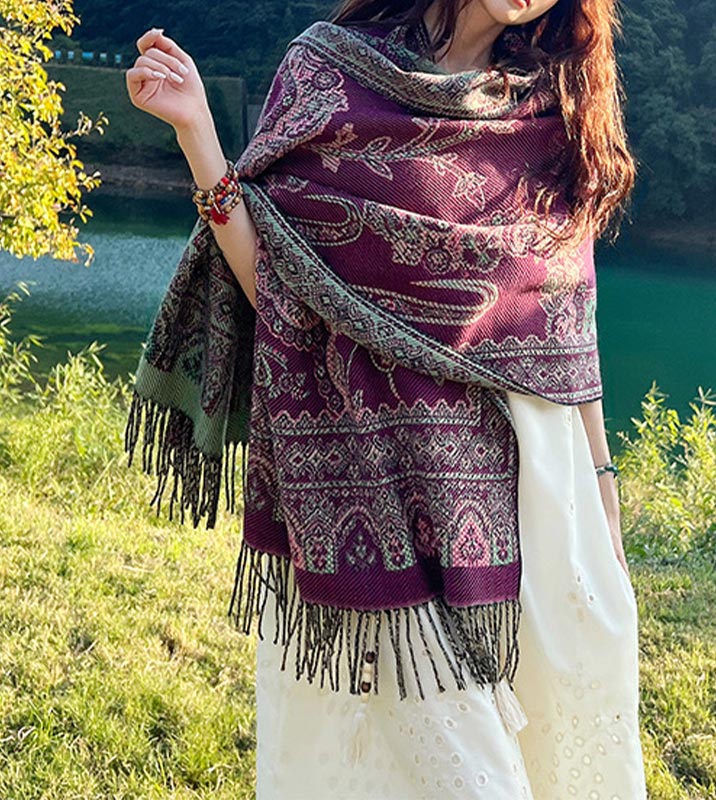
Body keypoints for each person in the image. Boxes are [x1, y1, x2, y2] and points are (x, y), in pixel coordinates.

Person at [126, 0, 647, 797]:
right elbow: (277, 285)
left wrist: (603, 480)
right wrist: (198, 132)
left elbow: (569, 319)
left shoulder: (549, 113)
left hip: (529, 494)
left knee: (547, 748)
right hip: (362, 476)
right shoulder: (326, 71)